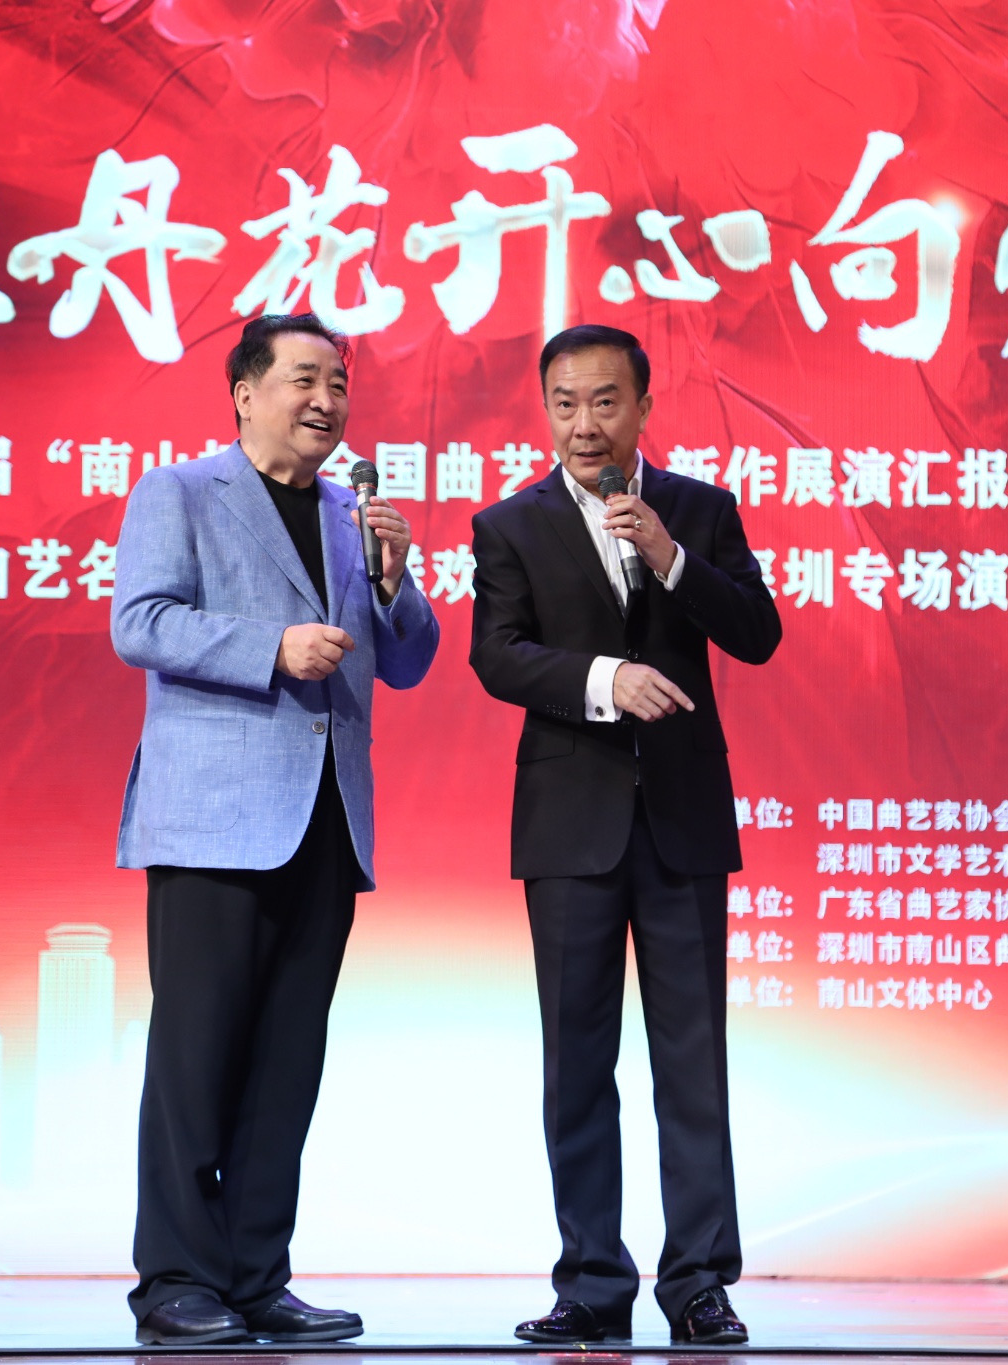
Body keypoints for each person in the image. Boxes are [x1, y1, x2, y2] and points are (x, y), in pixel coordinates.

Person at [110, 312, 439, 1345]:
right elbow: (139, 622)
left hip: (327, 817)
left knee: (287, 1062)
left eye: (337, 384)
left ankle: (257, 1278)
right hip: (214, 819)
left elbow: (407, 660)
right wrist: (272, 647)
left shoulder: (351, 514)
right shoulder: (179, 491)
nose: (326, 402)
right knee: (197, 1056)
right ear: (244, 393)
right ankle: (175, 1280)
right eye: (304, 380)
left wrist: (394, 580)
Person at [469, 324, 783, 1345]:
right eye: (564, 403)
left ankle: (698, 1284)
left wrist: (668, 556)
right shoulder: (508, 525)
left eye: (604, 401)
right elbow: (497, 656)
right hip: (570, 827)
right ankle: (590, 1285)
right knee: (577, 1064)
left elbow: (757, 632)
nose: (583, 424)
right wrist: (606, 680)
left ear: (643, 406)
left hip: (682, 820)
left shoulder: (699, 510)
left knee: (692, 1061)